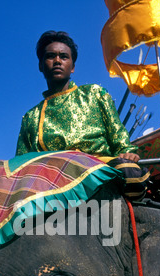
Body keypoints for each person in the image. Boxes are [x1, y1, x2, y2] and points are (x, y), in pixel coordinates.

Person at [16, 31, 149, 199]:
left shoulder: (94, 93)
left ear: (72, 67)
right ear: (41, 65)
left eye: (63, 57)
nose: (57, 61)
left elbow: (118, 135)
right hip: (53, 177)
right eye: (50, 56)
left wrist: (127, 152)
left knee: (129, 173)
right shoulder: (31, 116)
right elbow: (22, 163)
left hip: (99, 166)